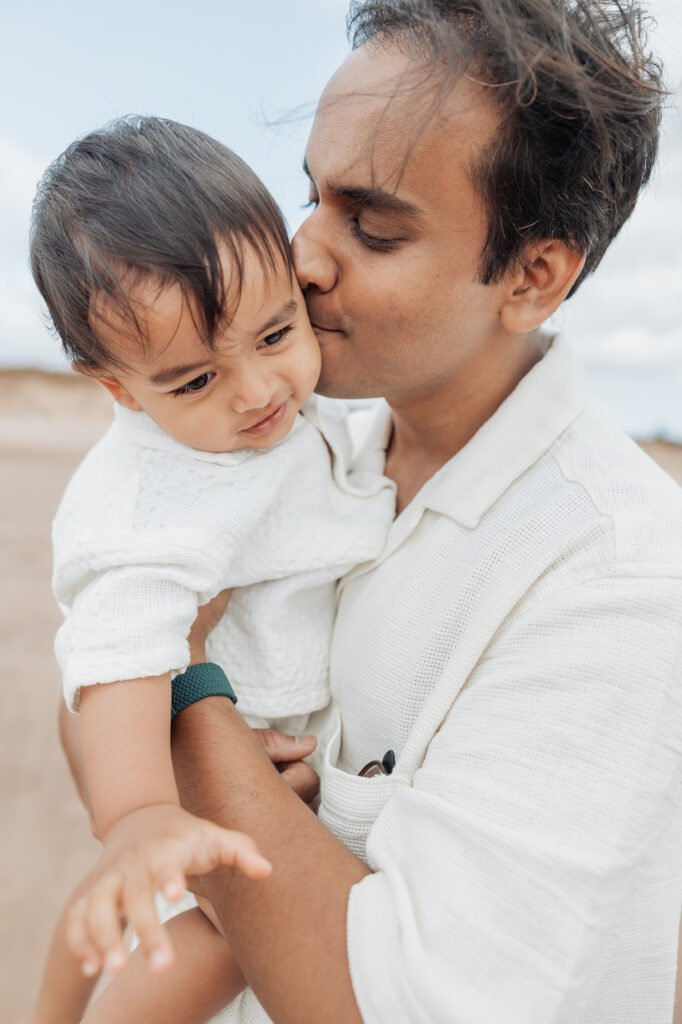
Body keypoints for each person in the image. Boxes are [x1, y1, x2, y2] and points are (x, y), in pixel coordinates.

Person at [58, 0, 682, 1021]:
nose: (300, 254)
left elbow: (403, 1006)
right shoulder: (283, 440)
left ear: (532, 277)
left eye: (374, 225)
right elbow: (84, 678)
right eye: (309, 195)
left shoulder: (620, 579)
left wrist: (190, 712)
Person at [24, 117, 394, 1024]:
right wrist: (141, 812)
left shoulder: (282, 421)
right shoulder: (155, 493)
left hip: (252, 753)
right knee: (209, 940)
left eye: (276, 334)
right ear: (116, 387)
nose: (256, 390)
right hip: (211, 776)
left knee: (120, 913)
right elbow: (118, 646)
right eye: (192, 381)